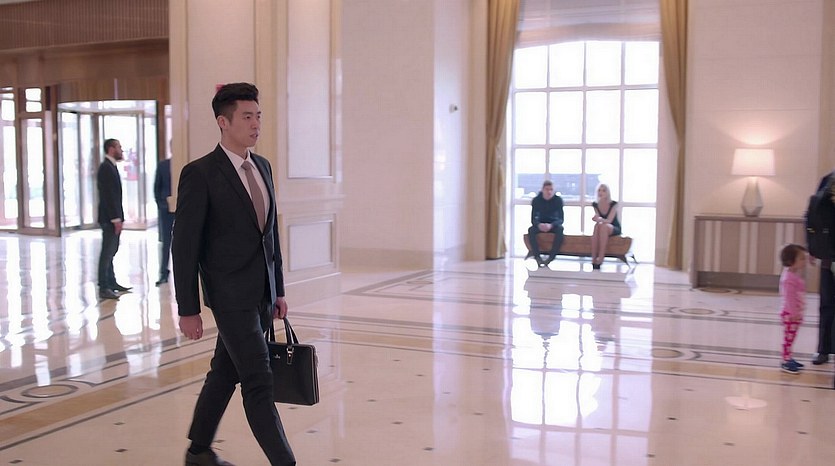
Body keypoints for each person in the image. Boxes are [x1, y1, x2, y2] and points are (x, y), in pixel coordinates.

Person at [172, 83, 295, 466]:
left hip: (261, 294)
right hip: (229, 297)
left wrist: (278, 289)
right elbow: (184, 247)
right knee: (258, 380)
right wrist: (188, 308)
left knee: (225, 372)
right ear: (223, 122)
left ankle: (198, 451)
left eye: (258, 116)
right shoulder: (200, 174)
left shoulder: (263, 167)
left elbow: (269, 235)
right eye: (247, 116)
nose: (256, 124)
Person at [96, 138, 132, 300]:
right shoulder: (106, 168)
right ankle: (104, 286)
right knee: (107, 252)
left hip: (112, 218)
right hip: (109, 219)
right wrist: (115, 219)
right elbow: (109, 196)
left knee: (111, 251)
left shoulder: (110, 166)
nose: (121, 150)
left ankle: (111, 282)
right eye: (119, 147)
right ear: (111, 149)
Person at [811, 171, 835, 366]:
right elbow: (813, 213)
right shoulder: (828, 180)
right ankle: (823, 350)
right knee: (827, 305)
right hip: (829, 256)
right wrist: (813, 246)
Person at [778, 244, 807, 374]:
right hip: (790, 315)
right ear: (791, 261)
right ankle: (786, 361)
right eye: (801, 259)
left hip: (795, 314)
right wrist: (794, 313)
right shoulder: (788, 279)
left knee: (791, 338)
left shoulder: (793, 275)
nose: (804, 261)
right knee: (788, 339)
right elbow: (789, 297)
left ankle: (789, 357)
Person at [528, 180, 564, 267]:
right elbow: (533, 219)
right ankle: (537, 257)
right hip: (540, 224)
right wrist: (539, 225)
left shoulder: (558, 200)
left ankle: (551, 257)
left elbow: (561, 219)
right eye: (547, 189)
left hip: (553, 224)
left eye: (551, 189)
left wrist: (551, 225)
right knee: (531, 230)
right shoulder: (536, 200)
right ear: (542, 190)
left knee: (560, 229)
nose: (549, 192)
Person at [590, 183, 622, 270]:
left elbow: (609, 220)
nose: (601, 192)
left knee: (603, 226)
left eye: (603, 191)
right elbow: (598, 217)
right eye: (599, 190)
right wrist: (596, 218)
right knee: (597, 226)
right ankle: (593, 259)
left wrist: (600, 219)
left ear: (607, 193)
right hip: (602, 227)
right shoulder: (595, 204)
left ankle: (601, 258)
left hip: (613, 227)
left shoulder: (613, 204)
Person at [153, 155, 174, 286]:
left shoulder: (186, 164)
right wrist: (161, 204)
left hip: (182, 208)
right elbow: (157, 187)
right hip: (166, 211)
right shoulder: (163, 165)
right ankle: (163, 273)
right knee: (166, 242)